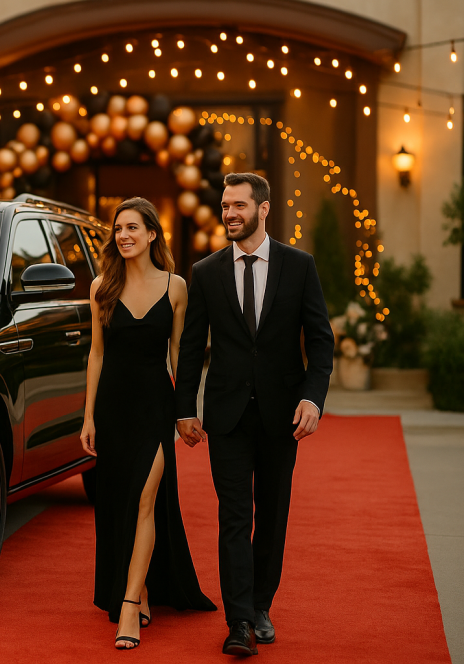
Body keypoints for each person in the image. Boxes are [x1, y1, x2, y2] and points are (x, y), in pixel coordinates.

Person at [175, 172, 334, 656]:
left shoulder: (299, 265)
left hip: (281, 415)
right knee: (233, 517)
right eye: (225, 205)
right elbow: (190, 347)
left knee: (273, 516)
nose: (230, 214)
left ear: (264, 210)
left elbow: (321, 340)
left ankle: (261, 604)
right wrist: (184, 406)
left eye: (239, 206)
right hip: (225, 417)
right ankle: (239, 621)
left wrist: (313, 397)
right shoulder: (206, 271)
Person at [81, 197, 216, 650]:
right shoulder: (102, 285)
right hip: (114, 408)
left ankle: (127, 607)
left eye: (133, 228)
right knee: (120, 503)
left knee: (144, 499)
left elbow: (180, 354)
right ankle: (138, 592)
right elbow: (96, 355)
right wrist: (88, 417)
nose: (124, 235)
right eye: (119, 228)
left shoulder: (176, 286)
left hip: (155, 408)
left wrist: (187, 410)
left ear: (152, 234)